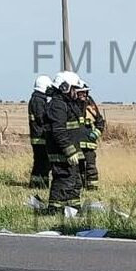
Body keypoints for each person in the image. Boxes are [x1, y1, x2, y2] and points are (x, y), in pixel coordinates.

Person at [44, 71, 88, 213]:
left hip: (70, 151)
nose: (76, 92)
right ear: (65, 87)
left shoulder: (66, 104)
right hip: (61, 152)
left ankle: (73, 209)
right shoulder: (58, 105)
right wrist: (69, 151)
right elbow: (59, 131)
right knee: (64, 179)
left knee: (75, 182)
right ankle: (54, 210)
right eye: (74, 88)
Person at [28, 75, 54, 189]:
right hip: (40, 137)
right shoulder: (38, 100)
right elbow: (41, 118)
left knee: (40, 163)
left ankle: (37, 184)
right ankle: (40, 186)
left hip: (38, 136)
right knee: (42, 163)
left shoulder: (37, 99)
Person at [79, 85, 106, 191]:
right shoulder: (72, 104)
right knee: (78, 167)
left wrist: (96, 132)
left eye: (86, 92)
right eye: (81, 92)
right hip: (76, 143)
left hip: (89, 143)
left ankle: (92, 188)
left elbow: (100, 121)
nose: (84, 94)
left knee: (91, 166)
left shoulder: (90, 104)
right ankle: (80, 186)